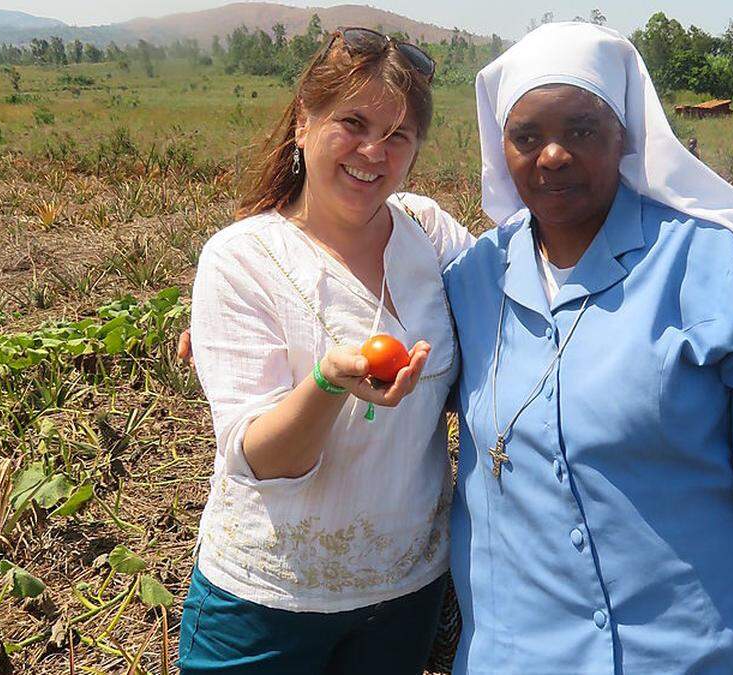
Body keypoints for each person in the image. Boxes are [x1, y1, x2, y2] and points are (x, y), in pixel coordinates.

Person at [445, 22, 733, 674]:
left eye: (580, 129)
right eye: (527, 136)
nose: (551, 154)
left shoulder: (721, 265)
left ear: (626, 135)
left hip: (686, 649)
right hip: (517, 653)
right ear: (503, 150)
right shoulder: (471, 279)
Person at [177, 27, 475, 674]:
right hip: (266, 601)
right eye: (354, 122)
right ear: (304, 122)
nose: (374, 151)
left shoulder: (432, 234)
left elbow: (519, 305)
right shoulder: (242, 258)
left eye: (398, 135)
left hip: (405, 591)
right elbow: (259, 455)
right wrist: (328, 381)